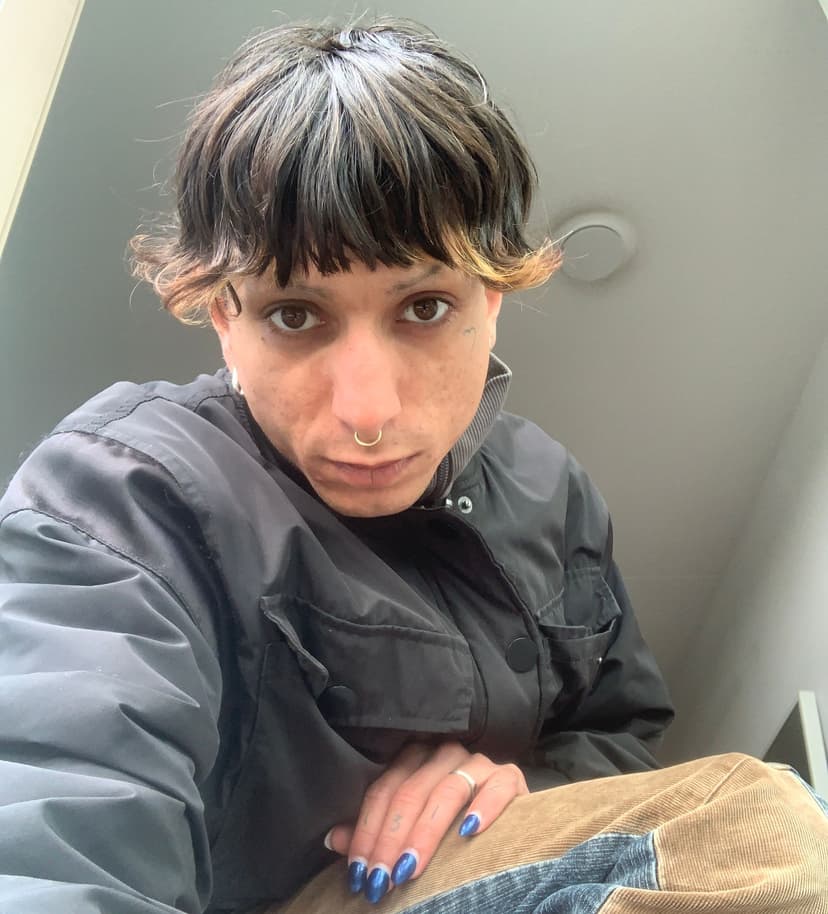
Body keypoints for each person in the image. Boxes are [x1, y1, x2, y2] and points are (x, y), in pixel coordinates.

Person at [4, 17, 821, 914]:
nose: (368, 413)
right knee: (758, 822)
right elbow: (54, 816)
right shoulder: (127, 496)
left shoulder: (552, 489)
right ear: (224, 316)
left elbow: (620, 730)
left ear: (492, 298)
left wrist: (516, 783)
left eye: (425, 307)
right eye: (294, 315)